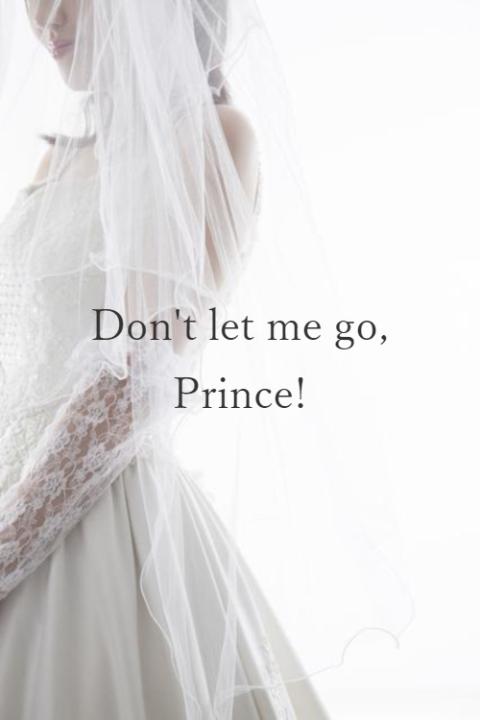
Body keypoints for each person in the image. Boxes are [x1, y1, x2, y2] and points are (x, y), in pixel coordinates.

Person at [0, 1, 333, 718]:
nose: (44, 17)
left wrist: (10, 539)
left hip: (106, 519)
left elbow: (140, 374)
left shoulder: (216, 135)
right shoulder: (58, 159)